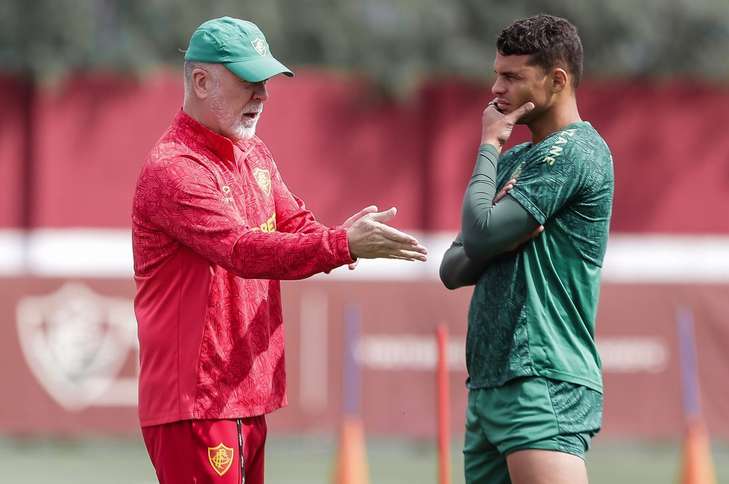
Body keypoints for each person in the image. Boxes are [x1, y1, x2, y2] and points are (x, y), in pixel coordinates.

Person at [132, 16, 427, 484]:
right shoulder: (174, 169)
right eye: (250, 81)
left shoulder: (256, 154)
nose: (263, 96)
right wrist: (342, 244)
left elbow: (296, 227)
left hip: (243, 394)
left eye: (265, 82)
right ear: (201, 81)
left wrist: (339, 238)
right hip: (196, 401)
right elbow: (243, 251)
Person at [439, 14, 614, 484]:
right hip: (490, 382)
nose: (496, 88)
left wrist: (488, 145)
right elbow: (452, 267)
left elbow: (473, 238)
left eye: (513, 76)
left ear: (557, 81)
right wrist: (496, 232)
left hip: (543, 376)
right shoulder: (517, 158)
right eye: (496, 73)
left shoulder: (576, 151)